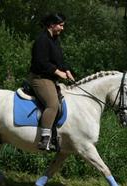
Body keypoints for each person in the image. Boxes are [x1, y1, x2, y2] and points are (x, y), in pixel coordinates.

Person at [29, 13, 74, 151]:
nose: (62, 28)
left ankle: (57, 136)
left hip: (49, 78)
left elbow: (59, 60)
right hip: (39, 78)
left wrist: (66, 70)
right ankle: (45, 138)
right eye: (60, 25)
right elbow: (41, 62)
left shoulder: (55, 40)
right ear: (52, 25)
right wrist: (58, 72)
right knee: (53, 104)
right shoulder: (42, 40)